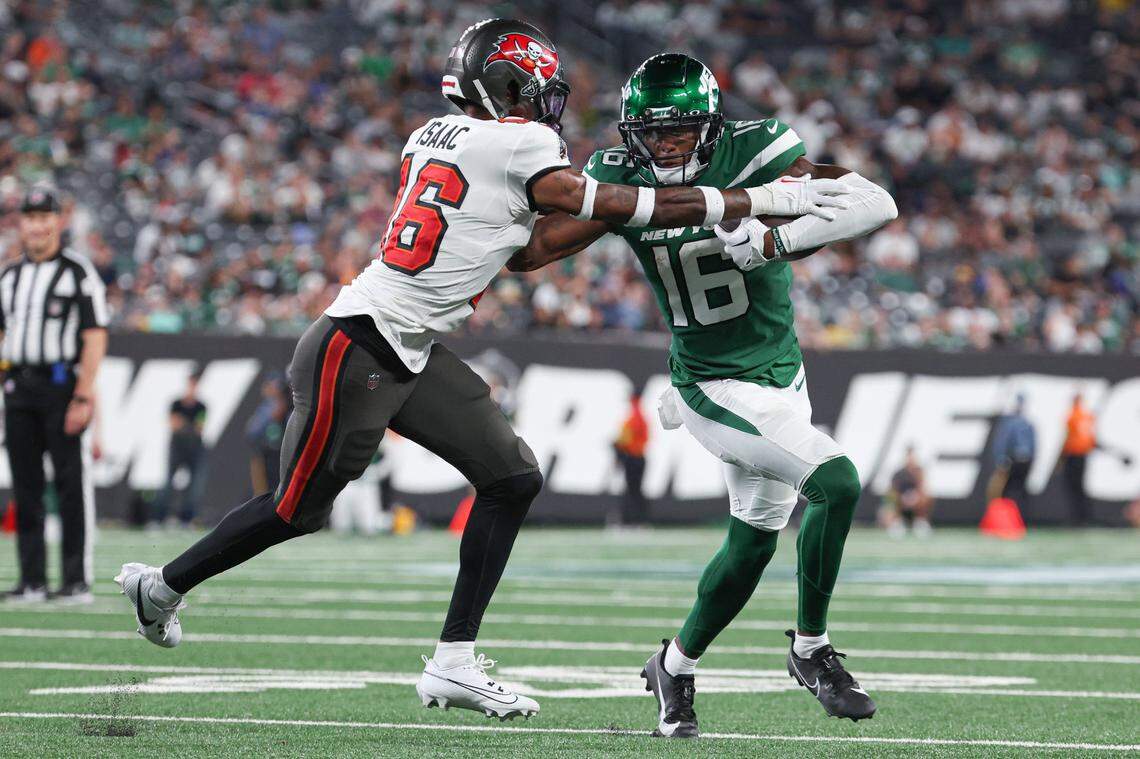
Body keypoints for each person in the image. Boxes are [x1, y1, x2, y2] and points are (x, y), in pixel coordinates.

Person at [113, 19, 843, 722]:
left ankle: (453, 658)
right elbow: (616, 203)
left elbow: (527, 246)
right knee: (295, 509)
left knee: (512, 477)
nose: (542, 105)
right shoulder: (517, 141)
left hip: (408, 347)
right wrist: (754, 198)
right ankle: (163, 586)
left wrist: (601, 214)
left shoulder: (431, 133)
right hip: (358, 344)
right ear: (500, 89)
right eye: (532, 89)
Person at [510, 53, 896, 735]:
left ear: (712, 127)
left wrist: (775, 239)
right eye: (652, 134)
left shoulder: (759, 152)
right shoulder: (619, 179)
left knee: (751, 545)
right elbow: (532, 250)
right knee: (835, 480)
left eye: (680, 132)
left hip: (783, 375)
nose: (664, 146)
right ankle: (811, 651)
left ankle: (675, 666)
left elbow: (874, 202)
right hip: (711, 382)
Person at [1, 186, 108, 603]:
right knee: (25, 486)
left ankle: (75, 579)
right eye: (31, 217)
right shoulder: (10, 275)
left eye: (46, 216)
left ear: (58, 222)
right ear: (21, 223)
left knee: (69, 484)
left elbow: (95, 336)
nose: (38, 225)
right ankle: (31, 580)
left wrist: (82, 397)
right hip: (18, 386)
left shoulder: (78, 272)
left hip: (62, 385)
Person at [152, 370, 208, 528]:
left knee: (195, 486)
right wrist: (187, 425)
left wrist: (184, 424)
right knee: (168, 483)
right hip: (177, 447)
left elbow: (200, 428)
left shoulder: (201, 406)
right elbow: (174, 424)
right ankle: (158, 518)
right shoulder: (176, 404)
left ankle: (186, 519)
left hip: (195, 449)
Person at [991, 394, 1036, 512]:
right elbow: (1033, 445)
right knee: (1020, 489)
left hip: (1014, 460)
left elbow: (1002, 442)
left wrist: (1001, 460)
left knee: (1010, 490)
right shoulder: (1026, 423)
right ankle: (1019, 517)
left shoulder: (1010, 423)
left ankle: (1010, 517)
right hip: (1025, 461)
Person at [612, 393, 650, 528]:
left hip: (633, 457)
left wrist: (616, 445)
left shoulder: (634, 417)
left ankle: (632, 520)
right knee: (635, 490)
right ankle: (638, 520)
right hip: (639, 457)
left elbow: (625, 439)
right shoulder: (641, 417)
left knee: (632, 490)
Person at [1058, 393, 1095, 525]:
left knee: (1073, 487)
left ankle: (1077, 518)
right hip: (1083, 455)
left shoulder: (1073, 415)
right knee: (1080, 487)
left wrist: (1061, 457)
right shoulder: (1088, 415)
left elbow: (1067, 437)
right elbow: (1091, 438)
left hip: (1073, 454)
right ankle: (1084, 517)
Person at [884, 446, 932, 537]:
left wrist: (913, 497)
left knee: (926, 497)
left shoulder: (919, 472)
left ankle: (920, 522)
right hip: (901, 500)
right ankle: (897, 523)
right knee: (891, 498)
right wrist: (902, 498)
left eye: (912, 457)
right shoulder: (898, 473)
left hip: (916, 500)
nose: (911, 459)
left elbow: (922, 488)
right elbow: (892, 489)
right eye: (909, 457)